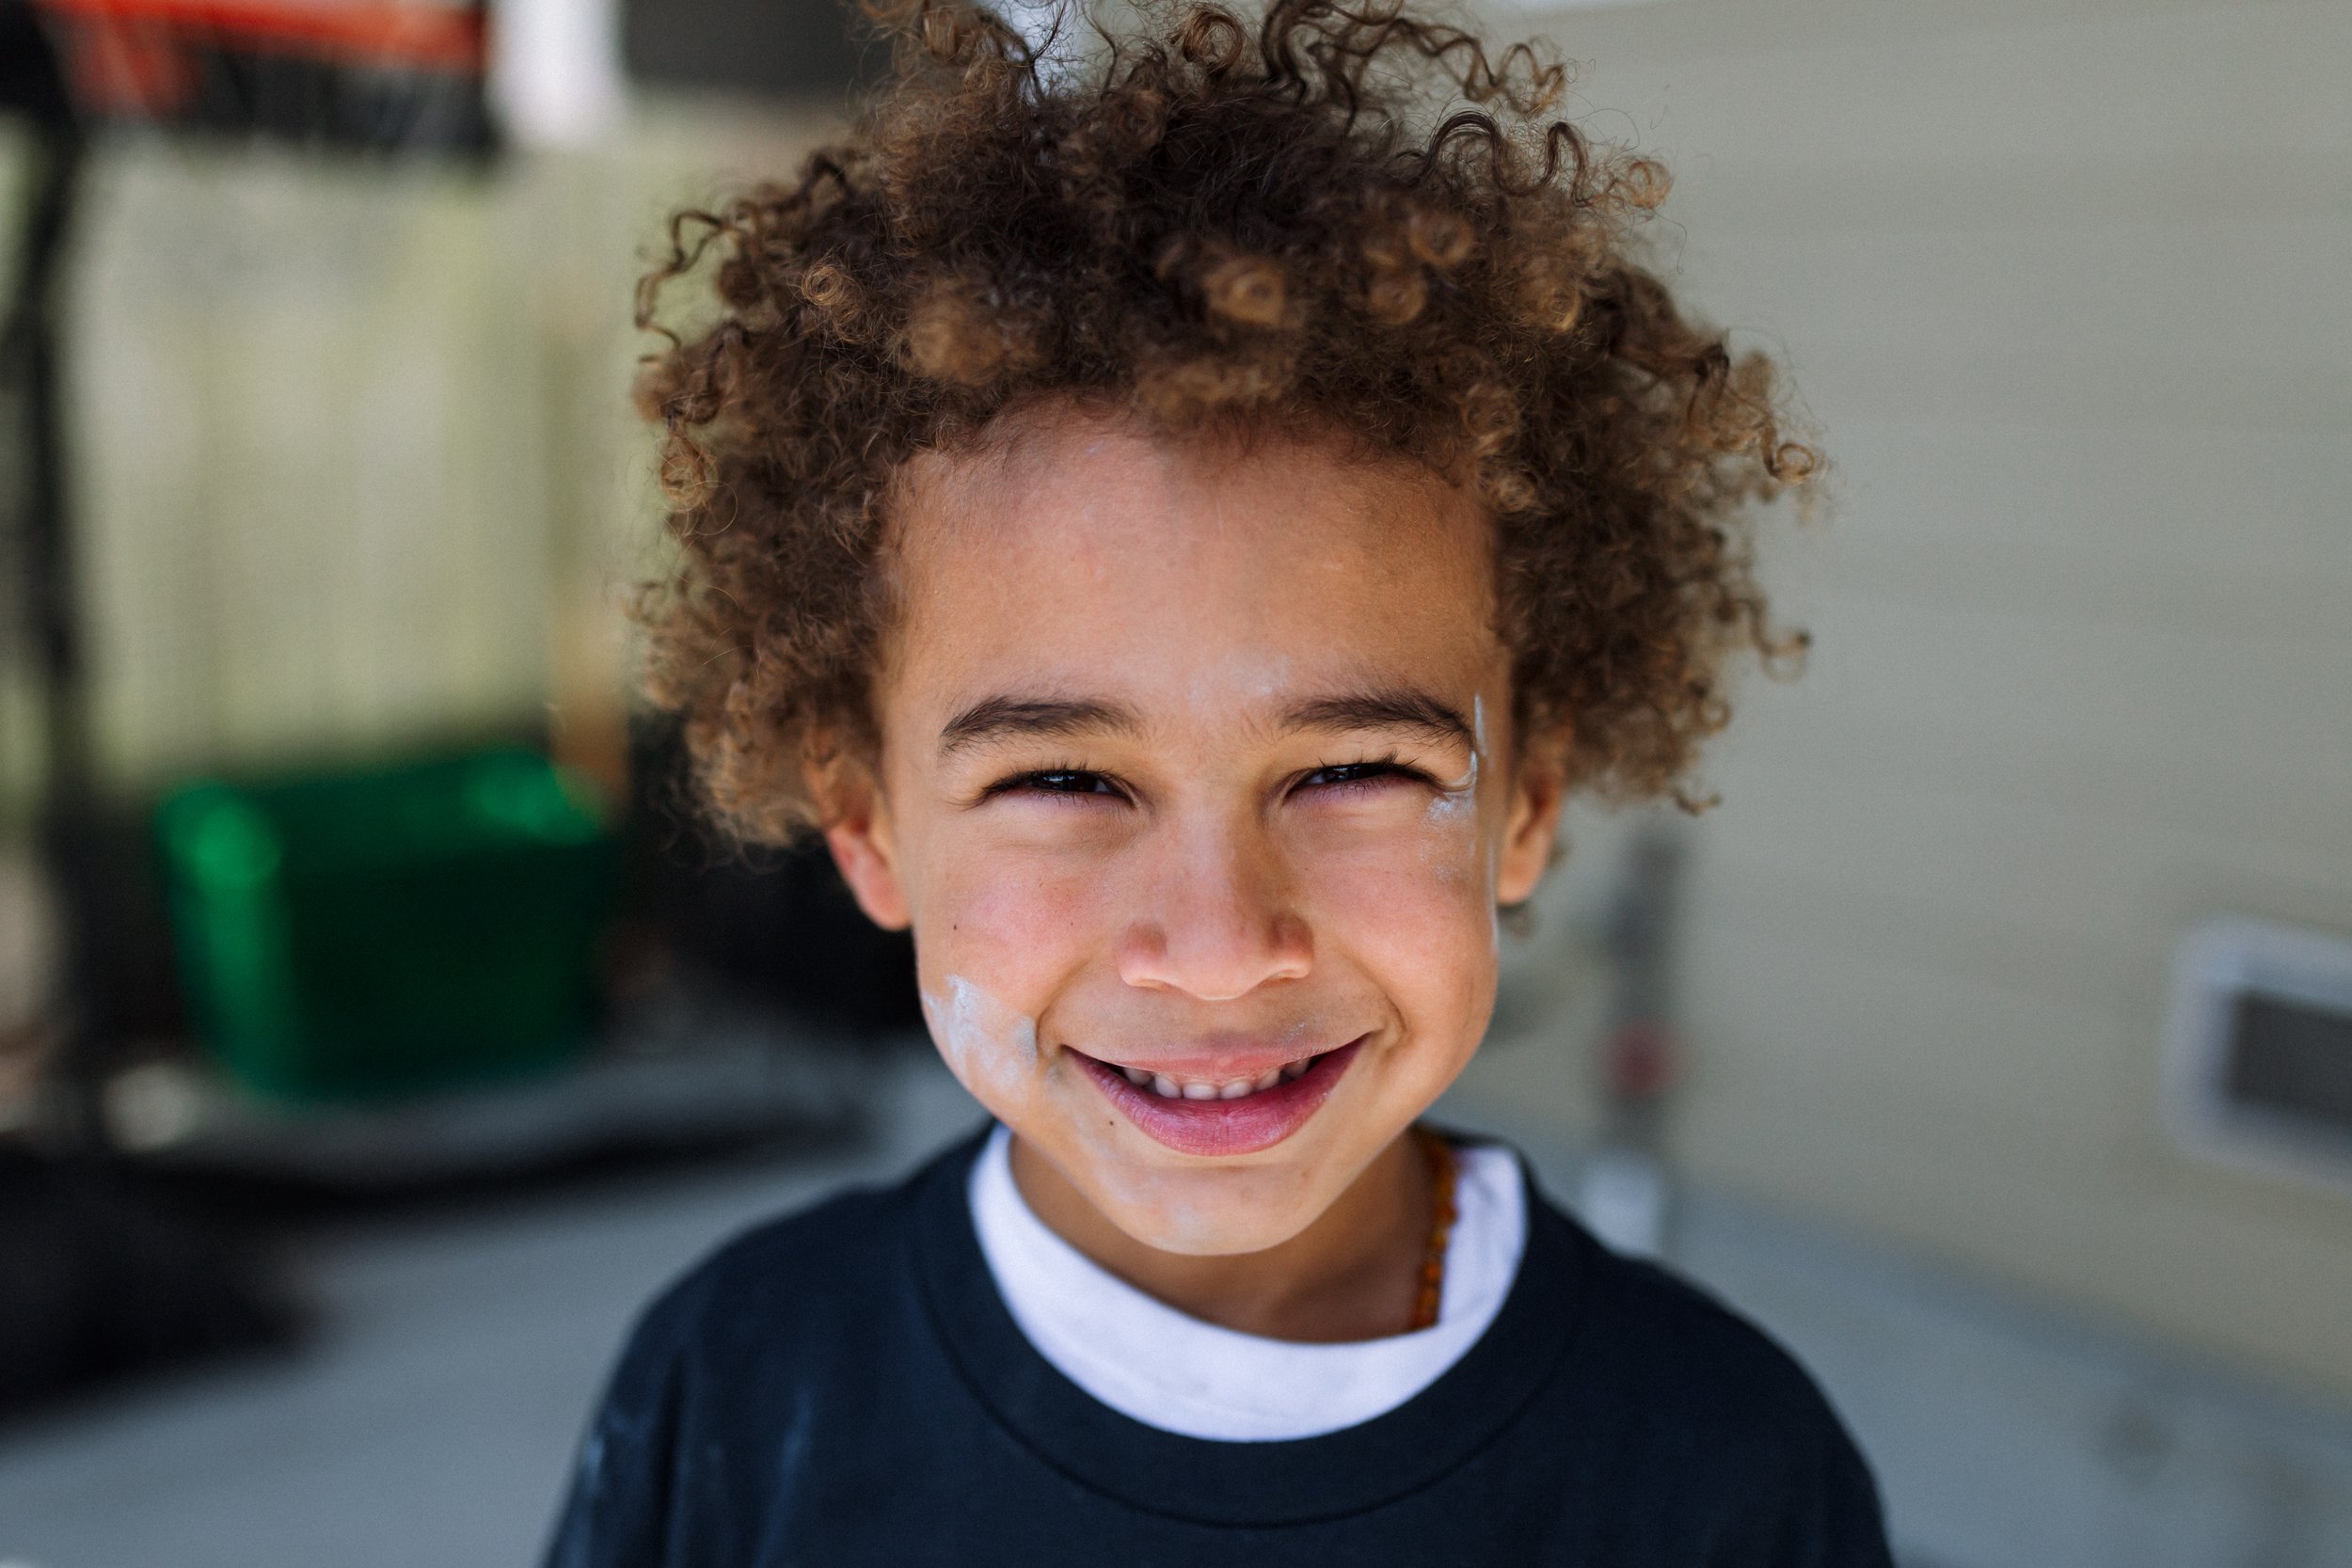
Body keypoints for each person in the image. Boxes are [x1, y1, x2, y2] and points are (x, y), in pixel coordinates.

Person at [547, 0, 1891, 1560]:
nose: (1218, 943)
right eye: (1066, 778)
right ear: (867, 825)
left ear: (1526, 803)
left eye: (1349, 769)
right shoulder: (734, 1390)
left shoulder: (1725, 1473)